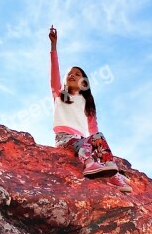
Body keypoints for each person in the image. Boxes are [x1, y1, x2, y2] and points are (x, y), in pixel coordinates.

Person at [49, 25, 132, 193]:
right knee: (87, 144)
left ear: (84, 83)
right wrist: (53, 47)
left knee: (98, 138)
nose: (72, 75)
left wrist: (96, 146)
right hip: (64, 139)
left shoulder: (87, 102)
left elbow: (94, 130)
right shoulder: (60, 94)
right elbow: (54, 73)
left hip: (81, 140)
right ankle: (89, 165)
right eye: (70, 73)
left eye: (77, 74)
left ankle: (112, 172)